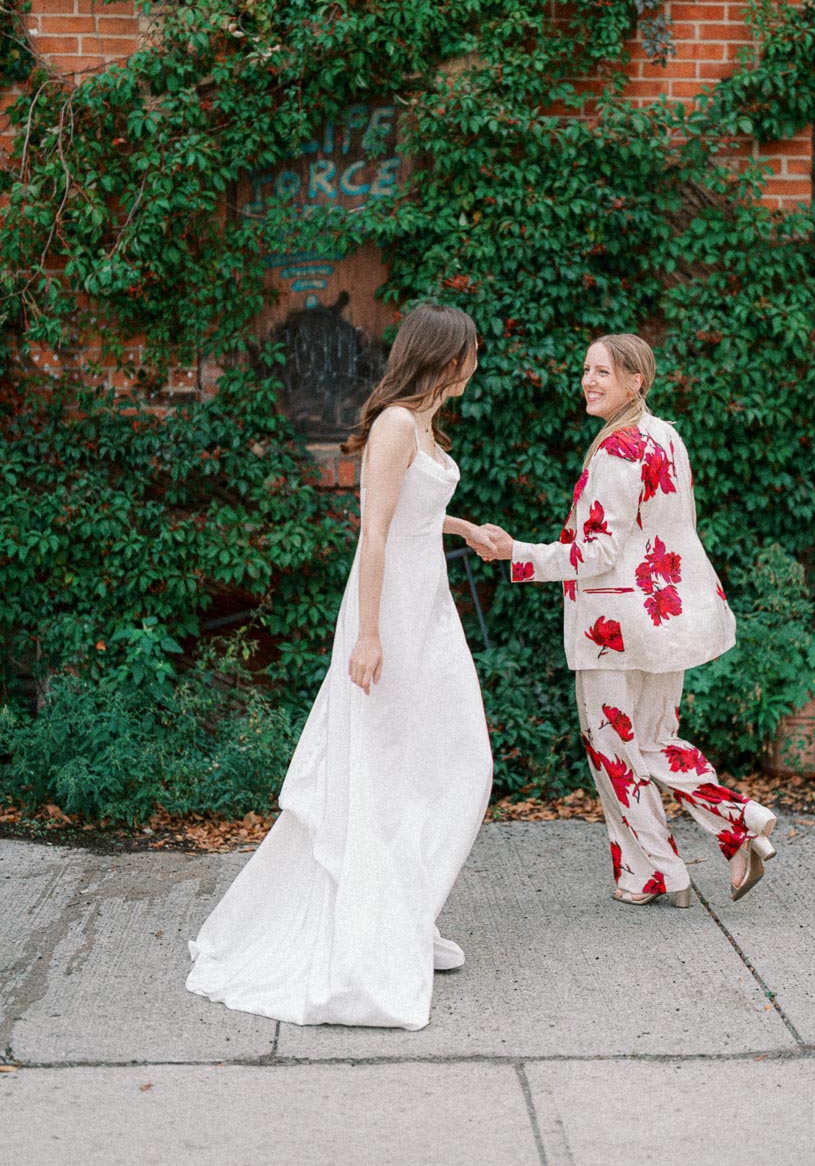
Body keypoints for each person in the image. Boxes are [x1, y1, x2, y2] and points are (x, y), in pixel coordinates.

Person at [186, 303, 494, 1029]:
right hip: (388, 614)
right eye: (469, 353)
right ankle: (379, 926)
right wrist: (368, 636)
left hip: (427, 611)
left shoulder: (421, 426)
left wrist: (462, 527)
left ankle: (407, 910)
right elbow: (375, 533)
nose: (474, 365)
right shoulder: (392, 425)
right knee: (384, 771)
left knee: (450, 762)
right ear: (445, 358)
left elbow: (412, 514)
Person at [480, 333, 776, 906]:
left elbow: (597, 552)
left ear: (635, 381)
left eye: (603, 373)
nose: (589, 381)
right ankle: (661, 866)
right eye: (586, 370)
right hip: (665, 616)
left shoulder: (617, 449)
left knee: (613, 749)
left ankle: (709, 839)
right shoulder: (665, 436)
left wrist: (516, 553)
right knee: (654, 741)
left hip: (613, 626)